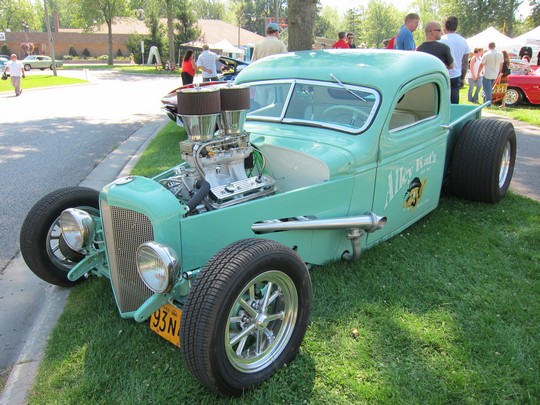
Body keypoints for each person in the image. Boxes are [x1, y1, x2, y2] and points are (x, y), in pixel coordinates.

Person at [440, 16, 469, 104]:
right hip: (456, 74)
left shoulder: (441, 40)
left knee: (442, 101)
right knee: (454, 101)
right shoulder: (463, 41)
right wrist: (462, 78)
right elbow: (465, 62)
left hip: (443, 74)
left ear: (445, 26)